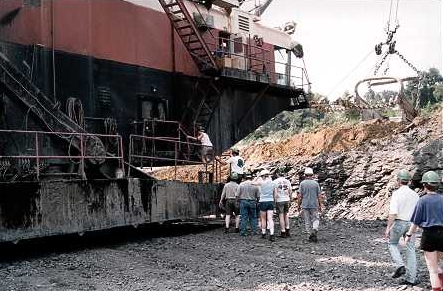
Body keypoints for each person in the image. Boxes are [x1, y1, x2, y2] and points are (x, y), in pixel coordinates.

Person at [405, 171, 443, 291]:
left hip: (429, 236)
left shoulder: (422, 200)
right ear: (437, 185)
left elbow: (416, 221)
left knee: (432, 269)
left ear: (424, 185)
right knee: (437, 265)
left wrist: (408, 234)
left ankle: (437, 288)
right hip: (442, 235)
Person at [385, 169, 419, 285]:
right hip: (411, 224)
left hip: (399, 222)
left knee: (392, 243)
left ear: (398, 181)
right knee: (411, 249)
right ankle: (411, 279)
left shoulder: (396, 194)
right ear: (409, 181)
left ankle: (400, 265)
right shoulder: (415, 195)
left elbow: (393, 213)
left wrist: (388, 227)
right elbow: (417, 212)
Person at [297, 167, 322, 242]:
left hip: (305, 205)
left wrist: (298, 205)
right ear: (312, 175)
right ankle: (315, 229)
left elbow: (300, 196)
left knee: (307, 221)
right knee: (316, 219)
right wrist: (320, 205)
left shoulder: (302, 184)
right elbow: (319, 196)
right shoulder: (316, 183)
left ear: (305, 175)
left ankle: (309, 235)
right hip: (314, 204)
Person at [235, 171, 260, 236]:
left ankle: (243, 232)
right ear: (251, 177)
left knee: (243, 217)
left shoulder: (241, 184)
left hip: (243, 201)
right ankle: (253, 231)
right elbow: (258, 196)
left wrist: (237, 202)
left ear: (245, 177)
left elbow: (237, 195)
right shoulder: (255, 185)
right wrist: (257, 202)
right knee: (253, 217)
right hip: (252, 202)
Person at [258, 169, 277, 241]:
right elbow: (275, 194)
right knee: (270, 219)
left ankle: (263, 234)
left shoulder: (261, 183)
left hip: (263, 201)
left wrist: (257, 176)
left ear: (262, 176)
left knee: (263, 219)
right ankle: (272, 234)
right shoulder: (273, 183)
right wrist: (274, 202)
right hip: (270, 201)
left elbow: (252, 183)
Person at [274, 168, 292, 237]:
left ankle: (283, 231)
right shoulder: (287, 181)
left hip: (279, 199)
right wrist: (290, 199)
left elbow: (274, 193)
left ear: (277, 174)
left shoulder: (275, 181)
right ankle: (287, 229)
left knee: (281, 216)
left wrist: (274, 202)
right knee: (286, 215)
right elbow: (290, 191)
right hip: (286, 198)